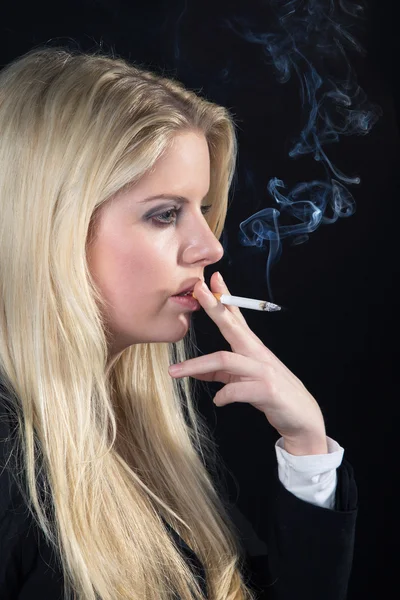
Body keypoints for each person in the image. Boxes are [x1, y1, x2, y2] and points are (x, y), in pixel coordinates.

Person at [0, 47, 357, 600]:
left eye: (204, 208)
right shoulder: (11, 470)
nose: (210, 246)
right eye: (165, 214)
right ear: (52, 226)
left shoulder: (143, 442)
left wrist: (307, 446)